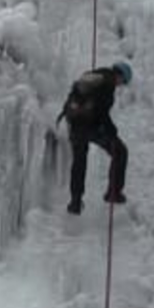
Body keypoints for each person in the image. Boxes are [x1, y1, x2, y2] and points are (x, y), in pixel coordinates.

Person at [57, 61, 132, 215]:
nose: (120, 85)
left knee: (79, 162)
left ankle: (75, 202)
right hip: (90, 126)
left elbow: (74, 96)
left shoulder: (93, 76)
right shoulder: (108, 82)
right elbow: (101, 111)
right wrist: (112, 130)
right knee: (120, 151)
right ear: (120, 76)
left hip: (75, 124)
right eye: (123, 82)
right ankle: (114, 193)